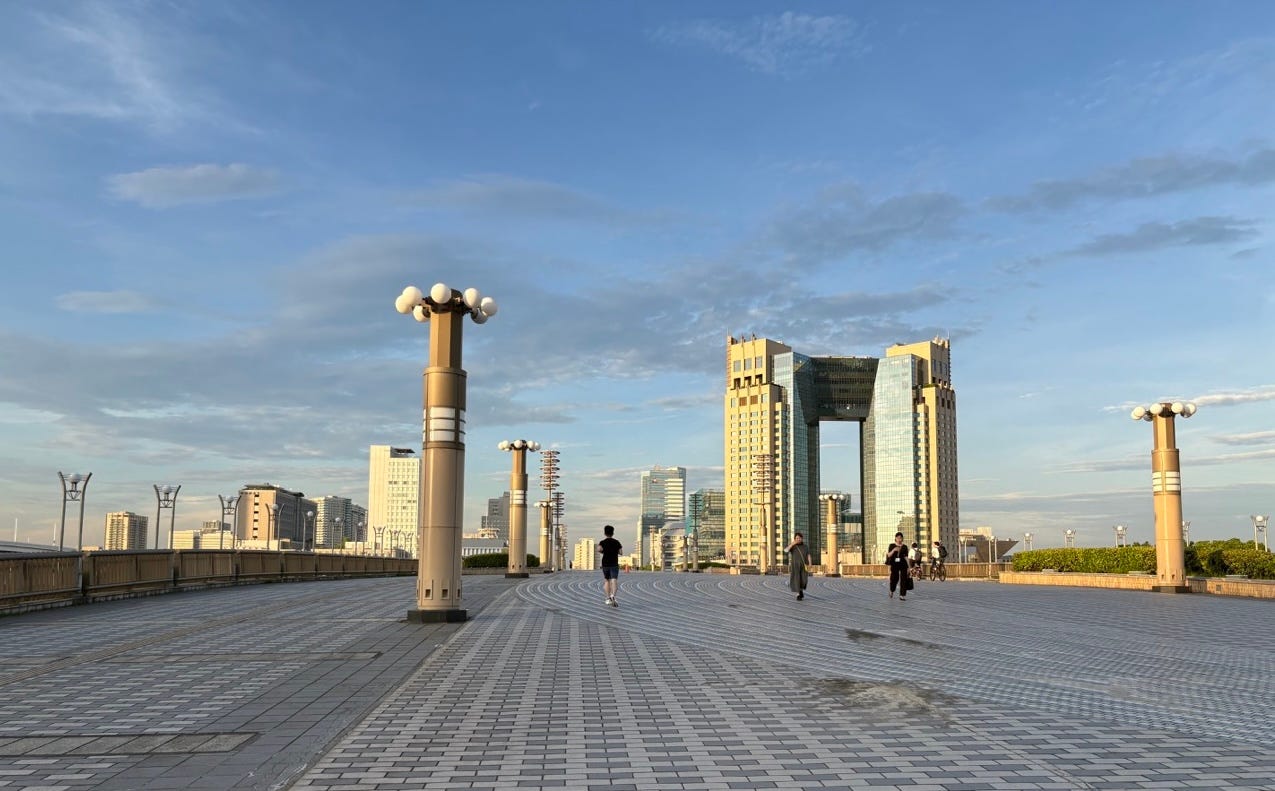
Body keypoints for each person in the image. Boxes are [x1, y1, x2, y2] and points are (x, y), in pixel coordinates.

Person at [597, 525, 622, 607]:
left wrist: (604, 551)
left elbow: (599, 549)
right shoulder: (617, 542)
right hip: (614, 563)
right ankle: (613, 596)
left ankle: (608, 598)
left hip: (605, 564)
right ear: (613, 533)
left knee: (607, 580)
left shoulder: (602, 542)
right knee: (614, 580)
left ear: (605, 533)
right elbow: (621, 552)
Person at [785, 532, 811, 600]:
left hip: (804, 566)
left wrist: (810, 563)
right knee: (796, 579)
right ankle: (798, 594)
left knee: (804, 580)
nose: (798, 539)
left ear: (802, 539)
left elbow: (808, 555)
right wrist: (792, 544)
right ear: (794, 539)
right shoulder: (793, 546)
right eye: (796, 538)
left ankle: (801, 590)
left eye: (799, 538)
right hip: (795, 566)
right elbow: (786, 550)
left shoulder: (805, 547)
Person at [885, 532, 911, 600]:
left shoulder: (905, 547)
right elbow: (889, 555)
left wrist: (909, 567)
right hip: (894, 564)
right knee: (894, 579)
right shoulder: (891, 545)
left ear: (902, 539)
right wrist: (894, 550)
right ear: (895, 538)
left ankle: (902, 595)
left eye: (901, 538)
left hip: (903, 564)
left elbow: (906, 557)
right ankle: (892, 590)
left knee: (903, 580)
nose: (899, 539)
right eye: (898, 538)